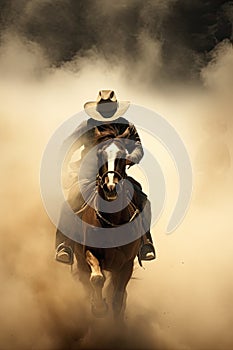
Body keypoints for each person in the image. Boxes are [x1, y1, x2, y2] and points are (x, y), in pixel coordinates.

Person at [55, 90, 156, 264]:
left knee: (143, 201)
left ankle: (145, 242)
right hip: (87, 175)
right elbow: (68, 145)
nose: (107, 111)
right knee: (71, 202)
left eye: (110, 108)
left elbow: (138, 147)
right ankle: (65, 245)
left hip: (118, 174)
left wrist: (131, 158)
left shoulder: (127, 127)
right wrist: (63, 166)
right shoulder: (87, 126)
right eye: (105, 108)